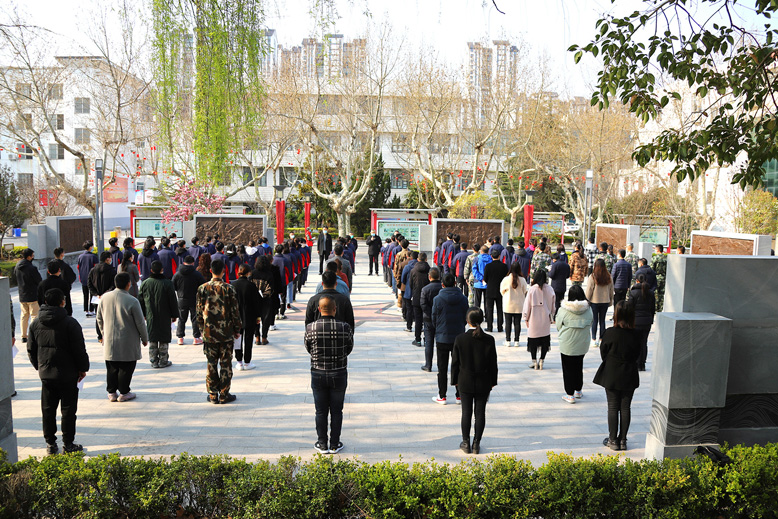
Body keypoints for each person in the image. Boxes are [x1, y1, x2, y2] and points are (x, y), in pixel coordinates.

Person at [28, 288, 89, 455]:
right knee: (68, 410)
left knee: (48, 410)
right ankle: (68, 443)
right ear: (63, 302)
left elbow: (31, 350)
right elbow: (79, 350)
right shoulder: (71, 323)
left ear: (46, 302)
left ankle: (50, 444)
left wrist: (40, 367)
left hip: (46, 375)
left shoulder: (35, 324)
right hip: (68, 375)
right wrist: (83, 369)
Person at [304, 295, 353, 454]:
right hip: (339, 373)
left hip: (318, 372)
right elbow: (349, 348)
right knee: (337, 410)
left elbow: (308, 348)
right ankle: (334, 443)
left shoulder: (310, 328)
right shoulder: (345, 327)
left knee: (320, 410)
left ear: (319, 309)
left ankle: (322, 443)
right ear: (335, 309)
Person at [593, 300, 640, 451]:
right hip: (629, 372)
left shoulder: (610, 333)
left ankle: (613, 440)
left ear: (616, 315)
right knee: (625, 407)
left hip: (612, 373)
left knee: (613, 407)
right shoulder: (636, 334)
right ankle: (623, 440)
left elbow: (603, 352)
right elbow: (638, 354)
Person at [451, 307, 498, 455]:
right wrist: (493, 381)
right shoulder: (489, 340)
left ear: (467, 321)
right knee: (480, 413)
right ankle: (476, 443)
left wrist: (454, 381)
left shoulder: (460, 339)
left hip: (464, 381)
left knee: (466, 412)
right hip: (484, 381)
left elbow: (455, 363)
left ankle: (465, 442)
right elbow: (493, 364)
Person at [97, 273, 149, 402]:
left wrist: (104, 333)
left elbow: (99, 318)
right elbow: (140, 322)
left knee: (111, 366)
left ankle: (112, 392)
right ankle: (124, 392)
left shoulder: (104, 298)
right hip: (127, 339)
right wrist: (144, 337)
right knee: (126, 366)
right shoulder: (132, 300)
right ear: (128, 284)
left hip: (110, 339)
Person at [196, 259, 242, 404]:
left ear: (211, 271)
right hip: (226, 333)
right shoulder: (229, 289)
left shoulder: (202, 288)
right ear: (224, 271)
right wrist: (237, 329)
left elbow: (198, 312)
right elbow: (235, 311)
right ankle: (224, 394)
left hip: (209, 333)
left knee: (211, 363)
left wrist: (201, 330)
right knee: (225, 364)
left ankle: (212, 394)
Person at [431, 273, 468, 404]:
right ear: (454, 284)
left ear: (443, 284)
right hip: (458, 336)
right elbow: (466, 317)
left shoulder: (437, 299)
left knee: (442, 368)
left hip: (442, 337)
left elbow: (433, 318)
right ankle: (459, 395)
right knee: (458, 366)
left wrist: (439, 328)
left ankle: (442, 395)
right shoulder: (463, 298)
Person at [138, 261, 179, 369]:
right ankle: (163, 360)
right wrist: (174, 314)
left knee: (153, 337)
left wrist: (143, 314)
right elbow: (173, 301)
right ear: (162, 270)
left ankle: (153, 360)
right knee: (164, 338)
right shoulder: (167, 283)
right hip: (165, 315)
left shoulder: (145, 283)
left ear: (151, 270)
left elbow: (140, 300)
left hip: (150, 314)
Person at [556, 285, 593, 403]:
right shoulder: (589, 309)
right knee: (578, 366)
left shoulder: (563, 310)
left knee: (567, 369)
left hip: (567, 343)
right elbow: (591, 322)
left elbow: (558, 325)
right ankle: (578, 389)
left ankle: (569, 394)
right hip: (582, 343)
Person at [523, 269, 555, 370]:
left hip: (533, 318)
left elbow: (527, 305)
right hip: (545, 318)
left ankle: (534, 361)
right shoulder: (550, 289)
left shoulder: (532, 289)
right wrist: (552, 315)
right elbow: (553, 305)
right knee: (545, 340)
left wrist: (525, 317)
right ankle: (542, 360)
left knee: (533, 341)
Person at [232, 264, 261, 371]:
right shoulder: (251, 285)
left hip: (236, 316)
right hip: (250, 316)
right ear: (248, 272)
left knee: (237, 339)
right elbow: (256, 302)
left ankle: (239, 361)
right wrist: (258, 316)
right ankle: (247, 362)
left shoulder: (233, 285)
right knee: (248, 339)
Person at [173, 255, 206, 346]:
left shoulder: (177, 274)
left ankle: (180, 338)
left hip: (181, 298)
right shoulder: (196, 274)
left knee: (181, 318)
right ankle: (196, 338)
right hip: (194, 298)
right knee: (195, 318)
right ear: (193, 263)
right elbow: (203, 285)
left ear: (184, 262)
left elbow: (173, 285)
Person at [627, 273, 656, 371]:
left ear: (637, 280)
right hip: (647, 321)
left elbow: (629, 307)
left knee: (635, 342)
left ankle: (635, 362)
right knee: (644, 342)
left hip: (635, 321)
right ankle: (642, 363)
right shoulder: (651, 292)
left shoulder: (633, 292)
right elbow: (653, 308)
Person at [251, 254, 281, 345]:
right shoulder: (269, 274)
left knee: (255, 317)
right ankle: (264, 337)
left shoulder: (253, 273)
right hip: (266, 298)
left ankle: (257, 337)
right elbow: (272, 287)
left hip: (255, 299)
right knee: (266, 318)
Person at [585, 258, 614, 348]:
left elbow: (589, 290)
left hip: (595, 301)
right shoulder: (608, 276)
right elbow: (611, 289)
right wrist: (611, 300)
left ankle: (593, 339)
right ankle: (602, 339)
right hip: (605, 301)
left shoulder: (593, 276)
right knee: (602, 320)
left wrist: (586, 300)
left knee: (594, 321)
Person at [15, 249, 42, 341]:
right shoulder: (32, 268)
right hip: (33, 295)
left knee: (24, 316)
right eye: (33, 255)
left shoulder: (17, 266)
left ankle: (23, 336)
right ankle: (33, 335)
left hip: (22, 294)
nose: (33, 257)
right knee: (34, 315)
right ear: (29, 256)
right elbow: (39, 280)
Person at [419, 267, 443, 372]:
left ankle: (428, 365)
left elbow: (423, 304)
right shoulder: (443, 288)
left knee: (429, 342)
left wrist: (430, 314)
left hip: (428, 319)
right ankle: (441, 365)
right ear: (439, 276)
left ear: (429, 277)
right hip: (441, 319)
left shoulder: (425, 289)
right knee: (440, 343)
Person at [500, 261, 528, 348]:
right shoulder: (522, 280)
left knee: (508, 323)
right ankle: (517, 340)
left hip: (508, 304)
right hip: (519, 305)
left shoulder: (506, 279)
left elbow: (502, 291)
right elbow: (525, 291)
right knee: (517, 323)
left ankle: (508, 340)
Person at [482, 249, 509, 333]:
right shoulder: (504, 266)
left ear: (491, 256)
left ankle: (489, 327)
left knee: (489, 309)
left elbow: (485, 279)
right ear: (499, 256)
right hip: (501, 290)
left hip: (490, 290)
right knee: (500, 309)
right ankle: (500, 327)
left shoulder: (488, 266)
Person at [410, 252, 431, 347]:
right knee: (427, 319)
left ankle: (417, 340)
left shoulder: (413, 270)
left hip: (417, 297)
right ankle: (427, 339)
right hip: (428, 298)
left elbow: (410, 284)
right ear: (426, 259)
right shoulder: (430, 270)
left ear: (418, 259)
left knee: (418, 320)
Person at [400, 251, 419, 333]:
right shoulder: (420, 266)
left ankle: (409, 326)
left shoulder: (407, 267)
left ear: (411, 258)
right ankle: (419, 326)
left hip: (409, 290)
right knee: (418, 310)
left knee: (409, 309)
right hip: (419, 292)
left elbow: (402, 279)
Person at [471, 245, 491, 310]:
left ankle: (477, 316)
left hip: (478, 283)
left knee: (477, 302)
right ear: (488, 251)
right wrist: (485, 279)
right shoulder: (491, 259)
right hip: (488, 283)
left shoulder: (476, 259)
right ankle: (487, 317)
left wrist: (481, 278)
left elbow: (474, 270)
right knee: (487, 303)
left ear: (481, 251)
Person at [651, 244, 667, 312]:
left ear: (657, 250)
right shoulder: (666, 258)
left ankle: (655, 308)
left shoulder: (655, 258)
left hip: (656, 277)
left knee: (656, 293)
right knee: (662, 294)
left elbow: (652, 269)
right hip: (664, 277)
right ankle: (660, 308)